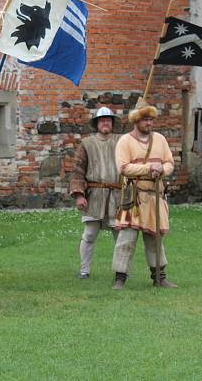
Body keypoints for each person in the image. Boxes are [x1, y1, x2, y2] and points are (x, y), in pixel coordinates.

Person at [111, 97, 178, 290]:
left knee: (155, 238)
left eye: (151, 119)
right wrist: (149, 168)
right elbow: (123, 168)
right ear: (136, 120)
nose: (149, 123)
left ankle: (159, 277)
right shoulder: (125, 141)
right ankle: (120, 277)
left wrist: (162, 170)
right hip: (133, 197)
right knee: (127, 238)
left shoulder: (160, 140)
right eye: (145, 119)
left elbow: (170, 163)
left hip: (155, 195)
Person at [68, 107, 120, 279]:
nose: (105, 123)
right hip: (94, 196)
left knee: (120, 236)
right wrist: (79, 194)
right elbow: (77, 170)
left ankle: (122, 271)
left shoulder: (122, 142)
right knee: (89, 235)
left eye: (108, 120)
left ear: (112, 123)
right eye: (102, 120)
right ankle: (84, 270)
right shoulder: (87, 144)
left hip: (117, 196)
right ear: (97, 123)